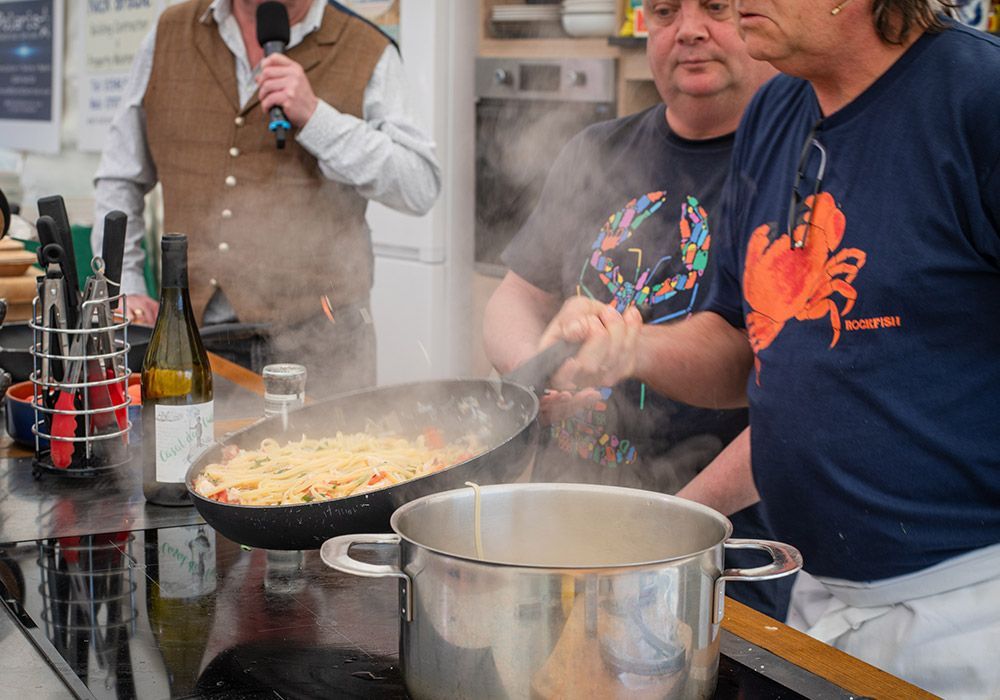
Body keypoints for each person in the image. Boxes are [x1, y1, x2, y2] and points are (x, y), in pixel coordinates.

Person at [539, 1, 1000, 697]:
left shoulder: (980, 99)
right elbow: (741, 344)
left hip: (970, 611)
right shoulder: (777, 109)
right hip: (816, 589)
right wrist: (631, 349)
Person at [483, 0, 792, 618]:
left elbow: (798, 405)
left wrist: (667, 532)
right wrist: (536, 367)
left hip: (716, 547)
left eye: (718, 7)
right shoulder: (597, 149)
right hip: (565, 518)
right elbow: (515, 296)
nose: (690, 30)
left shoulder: (794, 168)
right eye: (665, 10)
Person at [92, 0, 441, 397]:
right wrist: (128, 286)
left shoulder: (366, 48)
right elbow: (120, 178)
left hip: (323, 343)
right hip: (193, 339)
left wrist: (316, 117)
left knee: (330, 458)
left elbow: (420, 185)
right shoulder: (169, 33)